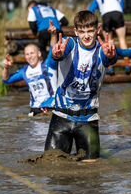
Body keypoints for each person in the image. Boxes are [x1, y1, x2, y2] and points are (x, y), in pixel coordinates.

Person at [44, 10, 117, 160]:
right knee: (52, 165)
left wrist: (111, 55)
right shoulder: (69, 44)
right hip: (61, 118)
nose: (87, 35)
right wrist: (56, 55)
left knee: (91, 172)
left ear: (98, 30)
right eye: (82, 31)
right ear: (76, 32)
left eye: (90, 31)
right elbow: (59, 54)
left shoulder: (102, 50)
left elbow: (109, 58)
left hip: (88, 120)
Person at [2, 43, 57, 116]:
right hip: (35, 109)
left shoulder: (48, 65)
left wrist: (53, 35)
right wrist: (6, 68)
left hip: (51, 106)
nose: (30, 56)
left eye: (32, 53)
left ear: (39, 54)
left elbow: (53, 48)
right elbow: (6, 81)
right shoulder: (24, 72)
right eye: (27, 54)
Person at [88, 0, 131, 75]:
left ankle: (110, 68)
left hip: (106, 15)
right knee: (122, 40)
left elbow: (91, 10)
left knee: (108, 41)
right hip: (117, 13)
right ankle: (127, 65)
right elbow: (122, 7)